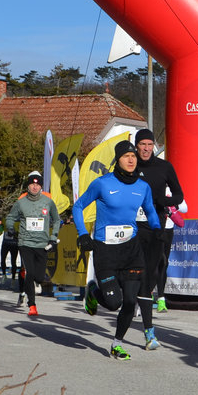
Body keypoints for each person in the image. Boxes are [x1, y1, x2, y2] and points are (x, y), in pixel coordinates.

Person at [73, 140, 162, 359]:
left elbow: (150, 210)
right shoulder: (102, 184)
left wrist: (157, 227)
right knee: (114, 303)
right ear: (118, 160)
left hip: (131, 251)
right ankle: (94, 292)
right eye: (126, 156)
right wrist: (84, 234)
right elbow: (78, 207)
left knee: (131, 301)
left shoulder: (143, 187)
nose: (131, 159)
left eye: (133, 156)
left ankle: (117, 343)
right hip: (106, 250)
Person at [132, 128, 185, 314]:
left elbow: (179, 195)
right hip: (132, 223)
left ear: (154, 145)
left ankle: (143, 296)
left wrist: (164, 202)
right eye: (142, 145)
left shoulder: (165, 167)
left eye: (149, 144)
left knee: (154, 265)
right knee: (133, 263)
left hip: (156, 223)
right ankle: (134, 297)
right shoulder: (130, 165)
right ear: (136, 146)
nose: (146, 149)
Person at [5, 173, 61, 318]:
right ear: (28, 186)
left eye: (37, 184)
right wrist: (10, 227)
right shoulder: (21, 203)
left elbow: (56, 220)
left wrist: (53, 237)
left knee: (40, 277)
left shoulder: (48, 202)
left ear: (41, 186)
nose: (35, 187)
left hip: (42, 244)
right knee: (30, 273)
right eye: (32, 184)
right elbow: (10, 217)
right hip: (25, 243)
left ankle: (31, 284)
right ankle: (32, 305)